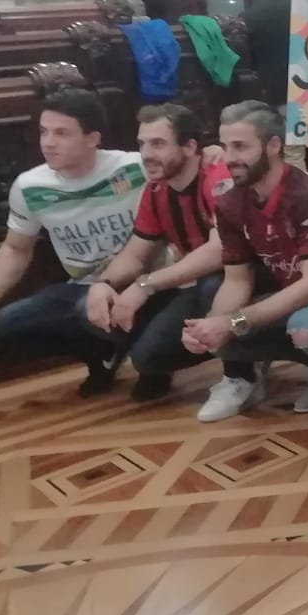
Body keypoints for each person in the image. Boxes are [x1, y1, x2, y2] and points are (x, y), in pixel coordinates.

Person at [182, 101, 308, 422]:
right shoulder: (230, 201)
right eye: (225, 145)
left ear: (274, 145)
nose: (229, 158)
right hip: (288, 289)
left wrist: (235, 323)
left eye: (241, 147)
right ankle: (240, 376)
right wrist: (210, 329)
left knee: (306, 327)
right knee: (212, 298)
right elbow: (237, 280)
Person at [0, 89, 144, 394]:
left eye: (61, 133)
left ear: (92, 138)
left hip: (140, 281)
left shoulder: (135, 168)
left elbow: (186, 166)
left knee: (90, 310)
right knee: (1, 328)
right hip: (80, 287)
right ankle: (101, 355)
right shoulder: (30, 186)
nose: (48, 142)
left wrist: (212, 153)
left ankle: (149, 361)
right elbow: (16, 248)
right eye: (43, 132)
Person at [81, 104, 235, 400]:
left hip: (238, 277)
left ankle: (242, 367)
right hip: (193, 282)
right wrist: (102, 283)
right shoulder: (157, 190)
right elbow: (136, 253)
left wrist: (146, 285)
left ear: (190, 147)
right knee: (89, 308)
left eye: (158, 144)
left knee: (153, 354)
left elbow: (219, 251)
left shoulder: (217, 175)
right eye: (142, 144)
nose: (147, 154)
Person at [244, 0, 292, 108]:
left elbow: (249, 52)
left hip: (270, 80)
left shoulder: (248, 15)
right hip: (304, 77)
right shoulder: (302, 8)